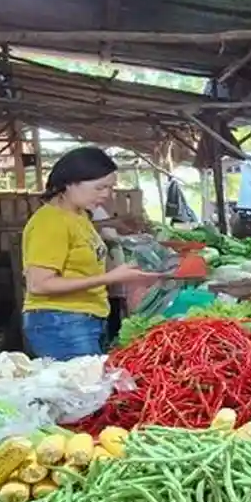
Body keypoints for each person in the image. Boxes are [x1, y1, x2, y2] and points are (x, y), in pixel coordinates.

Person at [21, 146, 155, 360]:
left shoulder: (79, 216)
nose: (107, 194)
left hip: (83, 319)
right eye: (100, 187)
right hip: (61, 322)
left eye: (110, 187)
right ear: (70, 183)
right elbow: (39, 284)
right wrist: (109, 278)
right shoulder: (50, 222)